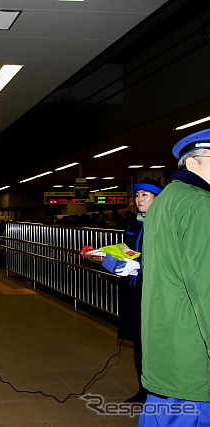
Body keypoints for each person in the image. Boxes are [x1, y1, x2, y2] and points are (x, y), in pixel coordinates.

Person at [139, 128, 210, 426]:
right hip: (191, 342)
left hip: (164, 336)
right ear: (194, 162)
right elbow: (205, 283)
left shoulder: (167, 200)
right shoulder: (199, 203)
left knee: (161, 412)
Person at [117, 178, 162, 404]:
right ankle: (143, 389)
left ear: (157, 198)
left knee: (156, 341)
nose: (140, 199)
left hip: (157, 291)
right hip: (135, 289)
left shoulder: (165, 222)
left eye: (146, 195)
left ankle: (160, 389)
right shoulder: (134, 224)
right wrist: (109, 259)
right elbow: (128, 252)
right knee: (138, 340)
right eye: (137, 195)